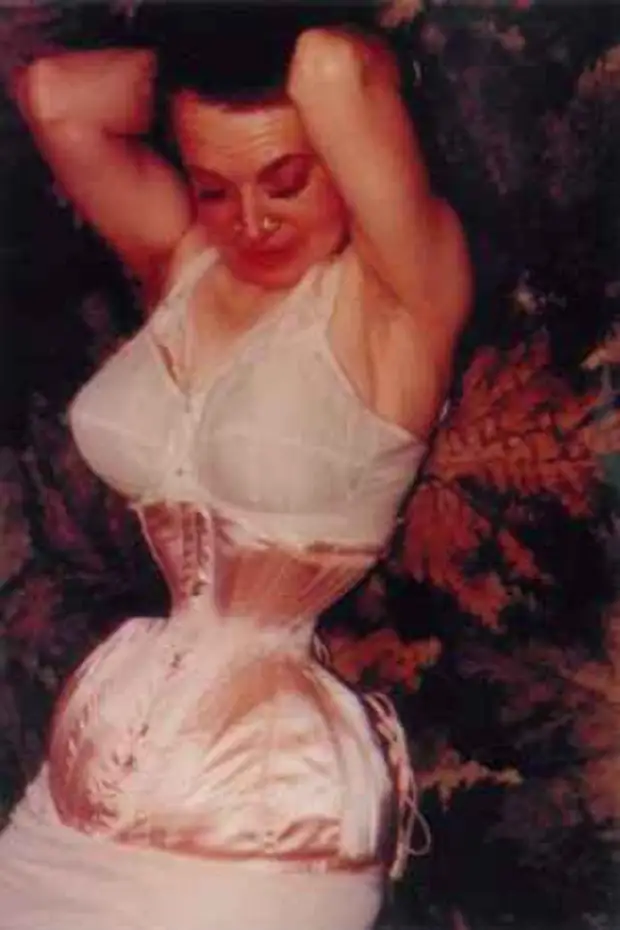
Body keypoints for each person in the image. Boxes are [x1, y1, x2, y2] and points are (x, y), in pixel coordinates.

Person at [0, 3, 471, 928]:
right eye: (214, 187)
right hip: (76, 792)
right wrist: (194, 76)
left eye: (286, 181)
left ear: (349, 158)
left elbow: (332, 66)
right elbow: (53, 95)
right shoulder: (183, 261)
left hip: (265, 817)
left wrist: (239, 56)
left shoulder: (402, 303)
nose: (251, 221)